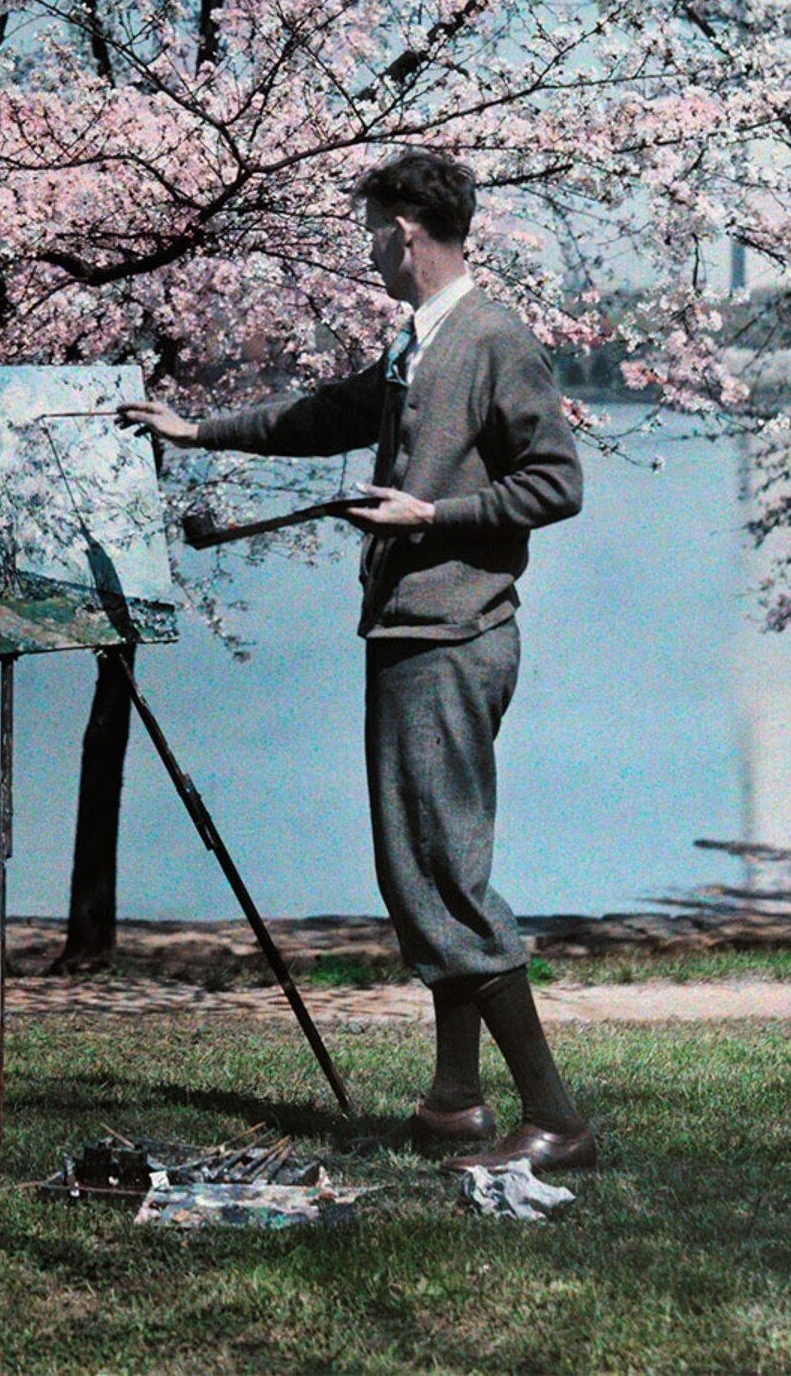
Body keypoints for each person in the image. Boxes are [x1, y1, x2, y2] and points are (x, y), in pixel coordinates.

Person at [120, 149, 594, 1171]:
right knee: (423, 864)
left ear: (406, 232)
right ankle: (454, 1104)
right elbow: (325, 415)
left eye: (372, 230)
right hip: (414, 633)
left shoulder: (493, 337)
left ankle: (555, 1117)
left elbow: (557, 482)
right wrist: (196, 430)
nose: (368, 249)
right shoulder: (420, 343)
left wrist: (433, 514)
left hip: (451, 637)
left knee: (440, 872)